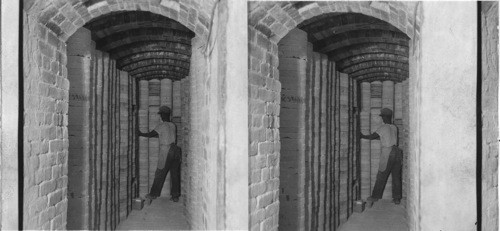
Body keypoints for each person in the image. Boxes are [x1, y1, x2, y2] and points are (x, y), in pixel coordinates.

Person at [360, 108, 402, 206]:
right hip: (397, 152)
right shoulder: (394, 127)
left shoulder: (383, 128)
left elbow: (372, 136)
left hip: (388, 153)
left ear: (384, 117)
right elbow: (383, 137)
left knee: (381, 175)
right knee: (396, 177)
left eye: (382, 117)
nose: (382, 119)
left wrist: (362, 136)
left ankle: (375, 196)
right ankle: (397, 199)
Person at [138, 105, 181, 202]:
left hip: (166, 150)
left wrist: (140, 134)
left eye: (161, 115)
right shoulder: (173, 125)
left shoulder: (161, 125)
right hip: (176, 150)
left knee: (160, 173)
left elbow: (150, 134)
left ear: (162, 115)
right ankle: (175, 196)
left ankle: (153, 194)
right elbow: (162, 136)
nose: (160, 117)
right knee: (175, 174)